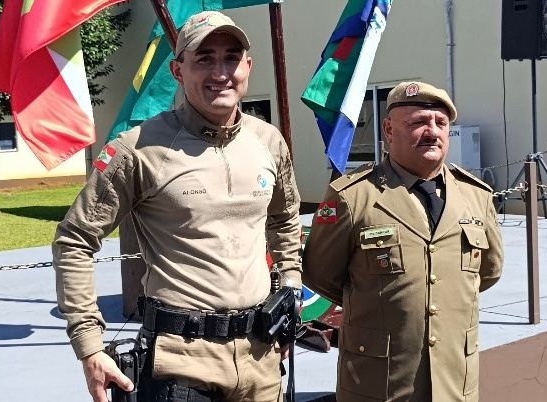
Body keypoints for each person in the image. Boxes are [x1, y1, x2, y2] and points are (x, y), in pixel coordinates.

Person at [53, 11, 302, 402]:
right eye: (204, 59)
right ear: (177, 70)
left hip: (260, 360)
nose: (220, 72)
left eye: (231, 58)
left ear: (248, 67)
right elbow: (74, 240)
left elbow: (285, 219)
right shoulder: (138, 149)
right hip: (181, 363)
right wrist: (89, 345)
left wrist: (290, 292)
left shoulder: (269, 141)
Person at [302, 81, 504, 402]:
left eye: (441, 123)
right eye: (418, 122)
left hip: (454, 381)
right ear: (388, 129)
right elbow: (320, 274)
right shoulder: (353, 197)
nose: (432, 131)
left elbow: (488, 272)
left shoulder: (475, 196)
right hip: (380, 384)